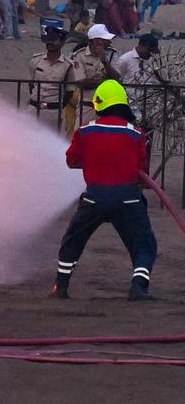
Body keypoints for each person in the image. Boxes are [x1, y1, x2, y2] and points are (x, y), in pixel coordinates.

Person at [51, 80, 156, 301]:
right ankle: (138, 287)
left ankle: (60, 286)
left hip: (94, 198)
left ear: (99, 104)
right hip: (127, 199)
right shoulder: (136, 134)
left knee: (73, 240)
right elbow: (140, 167)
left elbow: (72, 161)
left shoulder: (85, 131)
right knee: (143, 243)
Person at [69, 24, 123, 129]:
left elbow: (117, 80)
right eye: (106, 39)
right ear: (98, 41)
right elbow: (81, 82)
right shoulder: (80, 55)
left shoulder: (112, 54)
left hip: (109, 108)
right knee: (82, 139)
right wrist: (106, 81)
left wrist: (105, 61)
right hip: (87, 107)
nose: (110, 42)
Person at [29, 26, 77, 125]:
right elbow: (31, 84)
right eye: (48, 40)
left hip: (53, 111)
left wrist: (57, 106)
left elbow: (69, 92)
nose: (50, 43)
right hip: (33, 109)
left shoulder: (68, 65)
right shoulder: (36, 60)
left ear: (62, 43)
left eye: (54, 40)